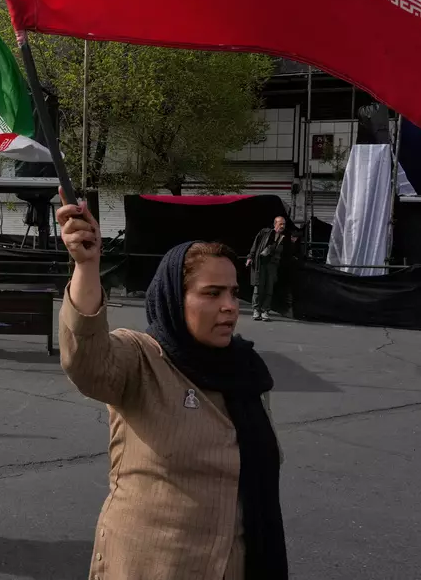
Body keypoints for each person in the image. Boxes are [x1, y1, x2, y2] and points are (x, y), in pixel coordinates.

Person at [57, 194, 286, 580]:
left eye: (233, 292)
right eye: (212, 293)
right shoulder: (142, 358)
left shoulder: (247, 371)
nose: (230, 305)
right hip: (151, 567)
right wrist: (87, 266)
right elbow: (87, 361)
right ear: (174, 299)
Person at [246, 216, 289, 322]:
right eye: (280, 224)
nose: (282, 226)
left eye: (284, 224)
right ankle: (256, 310)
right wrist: (250, 257)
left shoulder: (284, 237)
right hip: (261, 263)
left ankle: (265, 311)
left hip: (273, 265)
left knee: (269, 289)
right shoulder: (265, 232)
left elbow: (286, 253)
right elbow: (255, 244)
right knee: (258, 287)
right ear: (275, 224)